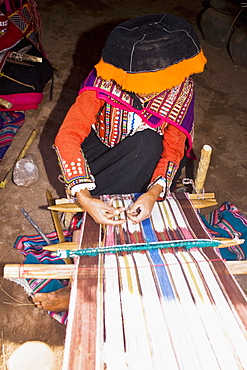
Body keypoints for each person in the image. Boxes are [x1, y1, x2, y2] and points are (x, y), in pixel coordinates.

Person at [33, 14, 207, 313]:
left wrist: (153, 193)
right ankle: (90, 277)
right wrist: (84, 198)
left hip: (140, 165)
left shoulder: (182, 90)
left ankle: (107, 267)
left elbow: (174, 148)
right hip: (96, 158)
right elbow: (68, 137)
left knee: (147, 143)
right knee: (140, 148)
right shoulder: (104, 81)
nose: (150, 94)